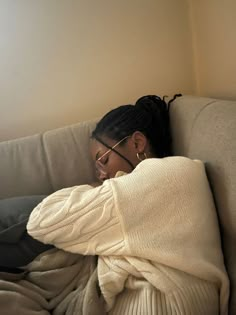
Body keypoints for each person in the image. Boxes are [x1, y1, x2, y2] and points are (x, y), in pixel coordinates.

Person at [27, 95, 229, 315]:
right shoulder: (180, 173)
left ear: (137, 143)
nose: (103, 175)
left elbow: (40, 221)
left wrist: (93, 187)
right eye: (96, 169)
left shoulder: (162, 176)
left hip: (161, 302)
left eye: (103, 160)